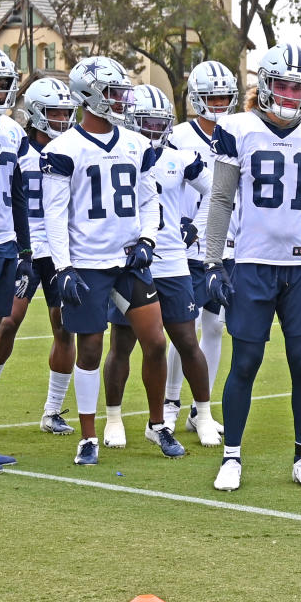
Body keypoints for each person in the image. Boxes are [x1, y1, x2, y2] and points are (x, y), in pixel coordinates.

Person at [203, 43, 301, 491]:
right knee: (245, 360)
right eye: (282, 84)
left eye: (298, 87)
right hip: (253, 263)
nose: (289, 94)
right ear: (265, 85)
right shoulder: (237, 129)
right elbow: (222, 199)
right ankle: (232, 458)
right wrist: (213, 260)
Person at [41, 56, 183, 465]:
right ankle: (88, 437)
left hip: (128, 262)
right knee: (89, 349)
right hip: (86, 262)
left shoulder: (137, 144)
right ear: (89, 96)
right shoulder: (64, 148)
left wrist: (147, 238)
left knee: (156, 342)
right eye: (113, 92)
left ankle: (158, 426)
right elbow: (55, 212)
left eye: (122, 92)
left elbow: (149, 199)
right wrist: (62, 267)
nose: (121, 100)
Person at [101, 85, 219, 448]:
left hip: (172, 261)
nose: (153, 129)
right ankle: (114, 418)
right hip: (131, 265)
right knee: (123, 343)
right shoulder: (114, 157)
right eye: (146, 122)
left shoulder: (179, 157)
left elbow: (215, 191)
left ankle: (203, 414)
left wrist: (194, 225)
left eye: (159, 122)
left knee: (186, 340)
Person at [163, 60, 240, 436]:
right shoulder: (178, 135)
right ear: (197, 97)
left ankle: (200, 407)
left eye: (226, 95)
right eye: (213, 96)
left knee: (216, 326)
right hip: (189, 245)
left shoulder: (240, 133)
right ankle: (171, 401)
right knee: (185, 328)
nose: (221, 102)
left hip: (229, 243)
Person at [0, 78, 77, 434]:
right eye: (54, 112)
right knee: (7, 323)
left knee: (64, 328)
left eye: (65, 111)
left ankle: (52, 411)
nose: (61, 119)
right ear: (35, 114)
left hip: (60, 248)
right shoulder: (17, 145)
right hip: (24, 245)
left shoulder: (74, 149)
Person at [0, 47, 32, 469]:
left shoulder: (12, 132)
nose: (2, 91)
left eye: (5, 83)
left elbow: (20, 194)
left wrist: (24, 250)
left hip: (6, 244)